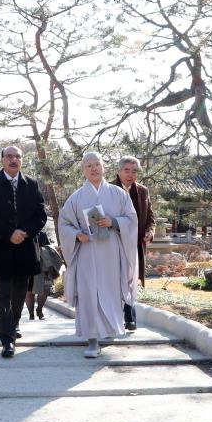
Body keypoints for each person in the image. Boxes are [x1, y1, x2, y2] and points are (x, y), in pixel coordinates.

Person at [59, 152, 139, 358]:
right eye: (88, 166)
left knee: (110, 291)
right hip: (86, 253)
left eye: (97, 164)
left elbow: (132, 219)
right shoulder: (76, 197)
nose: (93, 169)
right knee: (89, 294)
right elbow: (64, 223)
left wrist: (114, 222)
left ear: (104, 167)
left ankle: (110, 329)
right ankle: (92, 340)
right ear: (83, 170)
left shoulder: (119, 194)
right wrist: (76, 234)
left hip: (111, 252)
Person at [0, 145, 47, 358]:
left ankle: (14, 323)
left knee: (19, 292)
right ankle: (6, 340)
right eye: (9, 156)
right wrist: (9, 233)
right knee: (2, 294)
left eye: (17, 156)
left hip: (25, 247)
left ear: (22, 161)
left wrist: (24, 232)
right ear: (2, 160)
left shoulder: (32, 184)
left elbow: (41, 215)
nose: (13, 160)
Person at [111, 155, 155, 331]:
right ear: (119, 171)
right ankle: (114, 318)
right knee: (113, 280)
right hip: (114, 243)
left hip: (135, 243)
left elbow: (151, 216)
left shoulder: (142, 191)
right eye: (126, 170)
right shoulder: (109, 189)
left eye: (134, 171)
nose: (130, 174)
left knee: (131, 280)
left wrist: (149, 232)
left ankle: (130, 318)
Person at [25, 231, 62, 320]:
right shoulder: (22, 232)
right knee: (29, 291)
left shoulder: (42, 234)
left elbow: (49, 248)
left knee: (45, 290)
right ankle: (31, 314)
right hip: (26, 266)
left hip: (42, 267)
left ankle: (39, 309)